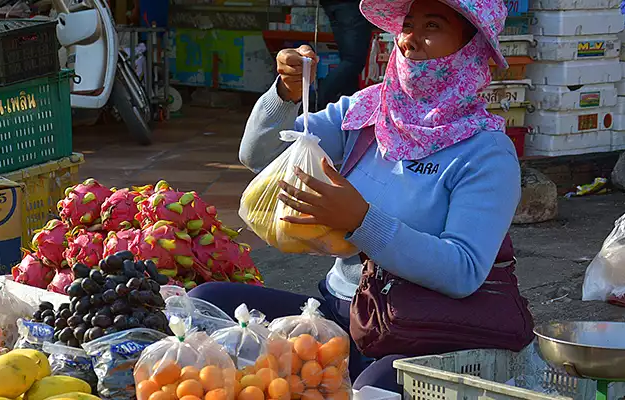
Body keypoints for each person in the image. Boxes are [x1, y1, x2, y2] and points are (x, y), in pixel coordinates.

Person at [191, 0, 527, 392]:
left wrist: (361, 221)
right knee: (205, 305)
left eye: (432, 26)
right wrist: (284, 93)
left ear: (470, 49)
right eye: (407, 25)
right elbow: (259, 154)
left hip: (417, 331)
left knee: (369, 390)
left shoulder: (486, 152)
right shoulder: (367, 112)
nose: (410, 41)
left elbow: (463, 270)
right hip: (339, 313)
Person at [317, 0, 371, 110]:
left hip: (331, 5)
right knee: (353, 61)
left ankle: (350, 108)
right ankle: (322, 96)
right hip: (351, 6)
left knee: (348, 61)